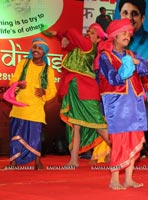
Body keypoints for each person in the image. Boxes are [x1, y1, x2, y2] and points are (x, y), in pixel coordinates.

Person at [98, 18, 148, 190]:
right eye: (123, 33)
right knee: (119, 141)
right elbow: (112, 78)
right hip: (117, 105)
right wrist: (126, 67)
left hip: (135, 104)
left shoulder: (132, 55)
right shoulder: (105, 56)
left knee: (134, 139)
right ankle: (114, 179)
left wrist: (140, 63)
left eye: (129, 34)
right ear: (114, 36)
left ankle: (129, 178)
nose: (127, 36)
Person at [47, 23, 110, 167]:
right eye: (88, 31)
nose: (88, 33)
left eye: (93, 32)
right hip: (75, 89)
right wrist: (59, 36)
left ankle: (121, 152)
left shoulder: (88, 47)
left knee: (99, 125)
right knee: (75, 126)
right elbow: (69, 44)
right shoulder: (80, 48)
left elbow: (72, 31)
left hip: (86, 90)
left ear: (99, 39)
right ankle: (74, 159)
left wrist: (61, 31)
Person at [118, 0, 148, 156]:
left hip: (140, 97)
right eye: (125, 13)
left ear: (142, 18)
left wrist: (145, 99)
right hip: (116, 94)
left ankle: (136, 149)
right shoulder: (111, 42)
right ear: (119, 15)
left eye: (134, 13)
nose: (129, 17)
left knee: (135, 130)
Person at [5, 37, 57, 170]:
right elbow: (13, 80)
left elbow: (53, 90)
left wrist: (44, 91)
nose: (36, 50)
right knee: (16, 133)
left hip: (36, 108)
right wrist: (18, 84)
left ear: (44, 52)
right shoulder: (23, 63)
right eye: (34, 48)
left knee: (36, 135)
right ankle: (13, 162)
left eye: (40, 49)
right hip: (20, 105)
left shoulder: (48, 70)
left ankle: (37, 161)